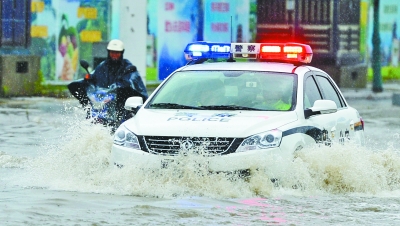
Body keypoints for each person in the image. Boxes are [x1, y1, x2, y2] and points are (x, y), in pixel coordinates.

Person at [68, 39, 148, 122]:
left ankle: (120, 119)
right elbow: (94, 76)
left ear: (122, 53)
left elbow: (131, 83)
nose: (114, 55)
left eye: (117, 53)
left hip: (122, 104)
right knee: (75, 85)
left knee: (123, 92)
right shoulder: (103, 66)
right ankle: (90, 112)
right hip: (103, 100)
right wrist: (88, 79)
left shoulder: (128, 67)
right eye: (112, 52)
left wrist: (116, 88)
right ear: (108, 52)